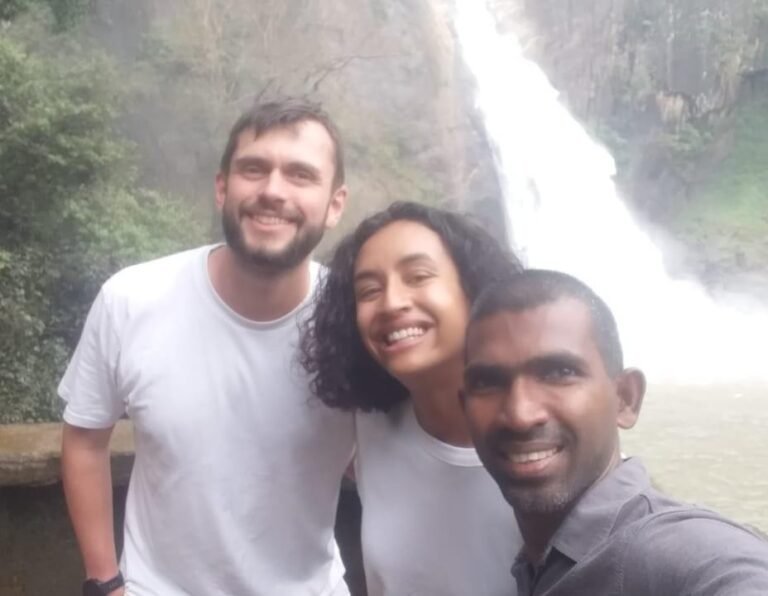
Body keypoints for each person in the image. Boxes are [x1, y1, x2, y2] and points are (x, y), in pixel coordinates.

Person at [60, 99, 356, 596]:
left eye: (300, 175)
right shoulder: (132, 299)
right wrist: (105, 583)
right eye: (253, 169)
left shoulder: (356, 323)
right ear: (222, 187)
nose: (272, 191)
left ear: (335, 204)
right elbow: (86, 440)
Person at [460, 269, 768, 595]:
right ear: (464, 408)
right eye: (488, 383)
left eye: (559, 372)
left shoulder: (675, 551)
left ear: (626, 398)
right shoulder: (535, 560)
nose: (520, 415)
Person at [301, 201, 524, 596]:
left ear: (474, 289)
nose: (391, 303)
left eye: (418, 276)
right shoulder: (369, 427)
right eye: (369, 290)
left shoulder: (542, 442)